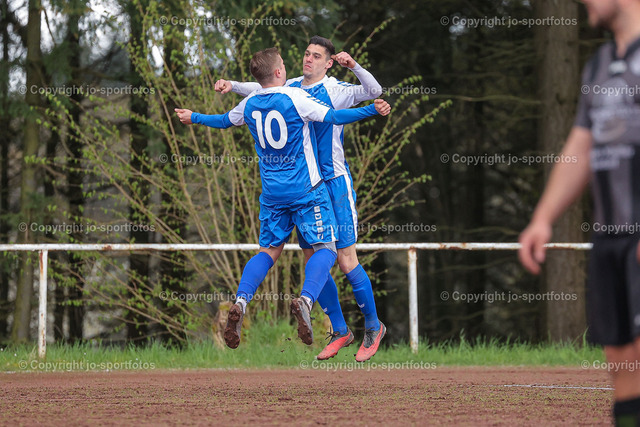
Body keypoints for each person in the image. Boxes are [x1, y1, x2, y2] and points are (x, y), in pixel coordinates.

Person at [174, 47, 391, 352]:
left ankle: (371, 326)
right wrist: (371, 113)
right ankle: (338, 328)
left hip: (322, 184)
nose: (308, 59)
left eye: (316, 56)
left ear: (329, 63)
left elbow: (373, 91)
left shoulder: (332, 89)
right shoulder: (294, 91)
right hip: (308, 188)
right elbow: (271, 90)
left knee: (342, 260)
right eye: (306, 53)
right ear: (280, 71)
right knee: (317, 257)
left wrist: (198, 113)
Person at [518, 1, 640, 424]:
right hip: (610, 238)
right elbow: (582, 145)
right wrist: (543, 218)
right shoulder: (599, 64)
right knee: (623, 367)